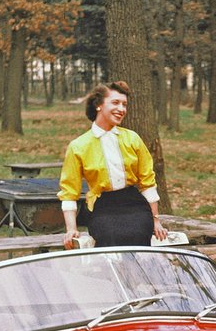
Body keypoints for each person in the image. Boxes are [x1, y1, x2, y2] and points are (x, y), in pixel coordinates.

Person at [58, 81, 168, 248]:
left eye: (124, 104)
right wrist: (71, 229)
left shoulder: (132, 139)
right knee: (110, 237)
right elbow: (69, 192)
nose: (122, 109)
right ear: (99, 105)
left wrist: (156, 221)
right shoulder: (78, 146)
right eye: (115, 103)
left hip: (134, 204)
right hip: (102, 207)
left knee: (138, 233)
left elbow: (147, 182)